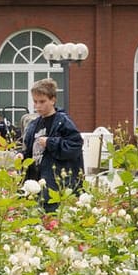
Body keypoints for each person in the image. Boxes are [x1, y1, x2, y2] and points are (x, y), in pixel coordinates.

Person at [21, 78, 84, 207]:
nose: (37, 106)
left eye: (42, 102)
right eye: (35, 102)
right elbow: (28, 150)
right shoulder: (33, 124)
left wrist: (51, 143)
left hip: (57, 184)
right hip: (35, 182)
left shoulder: (63, 121)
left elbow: (76, 145)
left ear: (53, 100)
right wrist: (21, 155)